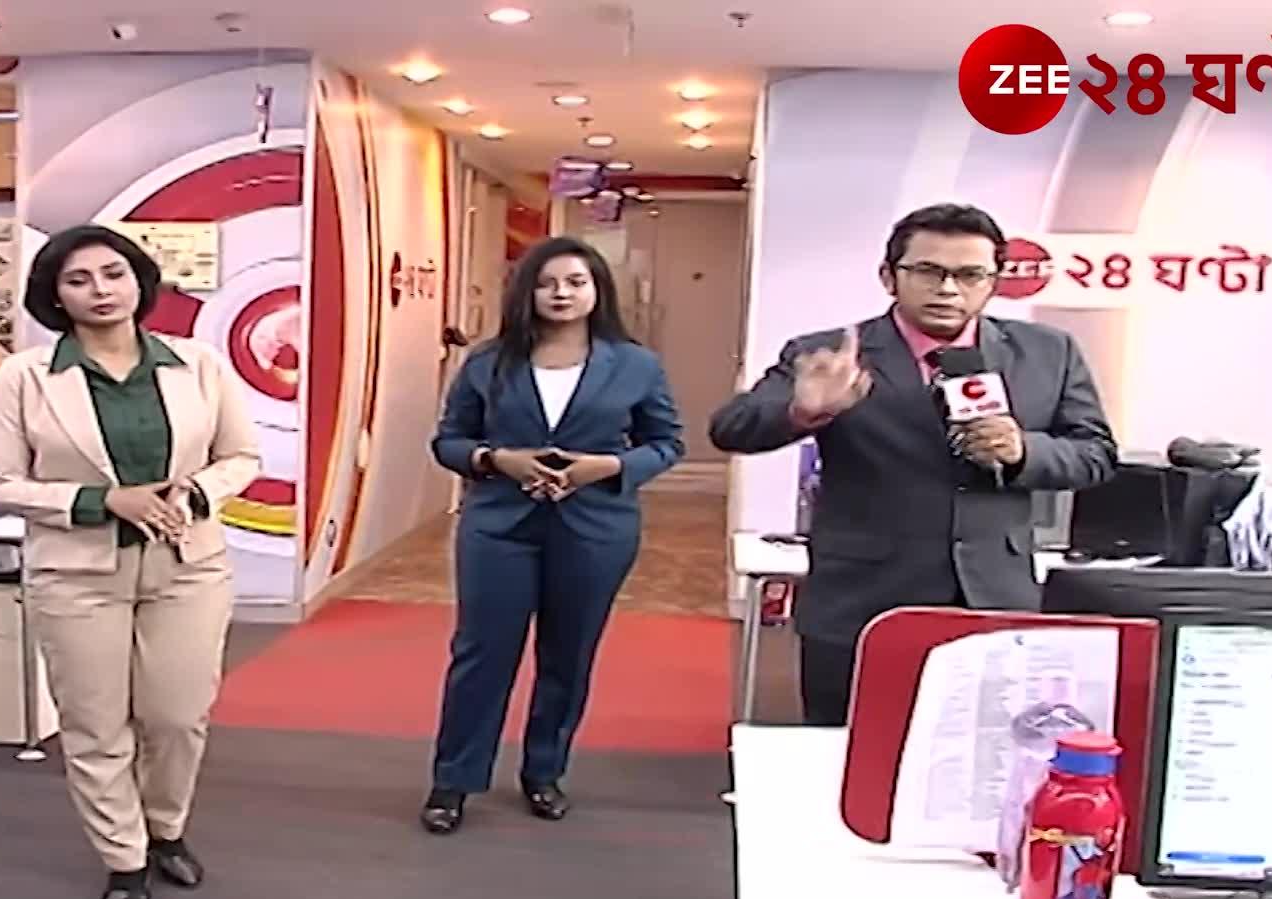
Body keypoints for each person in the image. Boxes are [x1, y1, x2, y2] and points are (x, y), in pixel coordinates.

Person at [709, 203, 1117, 728]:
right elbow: (732, 428)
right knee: (850, 757)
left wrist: (1024, 452)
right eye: (928, 271)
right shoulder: (832, 353)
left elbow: (1095, 453)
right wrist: (804, 412)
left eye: (969, 275)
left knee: (985, 756)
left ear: (994, 282)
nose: (948, 289)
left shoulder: (1047, 352)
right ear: (889, 276)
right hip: (862, 606)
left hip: (994, 602)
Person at [0, 224, 261, 899]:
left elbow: (241, 457)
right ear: (55, 296)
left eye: (114, 274)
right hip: (77, 574)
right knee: (96, 724)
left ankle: (166, 828)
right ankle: (124, 857)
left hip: (187, 565)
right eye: (78, 280)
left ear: (140, 282)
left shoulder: (197, 364)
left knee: (176, 716)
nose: (100, 291)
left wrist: (195, 493)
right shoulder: (26, 376)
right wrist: (100, 500)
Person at [420, 235, 685, 835]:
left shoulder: (636, 365)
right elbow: (449, 441)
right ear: (526, 292)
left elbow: (666, 443)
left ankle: (544, 770)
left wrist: (607, 467)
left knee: (568, 655)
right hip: (499, 527)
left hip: (595, 529)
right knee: (481, 654)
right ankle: (453, 780)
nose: (561, 293)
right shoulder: (488, 361)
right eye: (547, 283)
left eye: (575, 282)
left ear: (597, 291)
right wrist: (495, 460)